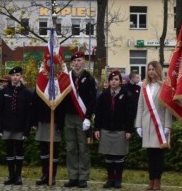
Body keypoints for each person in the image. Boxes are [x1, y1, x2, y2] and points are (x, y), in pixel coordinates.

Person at [135, 61, 172, 190]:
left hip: (160, 125)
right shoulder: (144, 86)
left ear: (158, 70)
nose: (151, 72)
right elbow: (140, 107)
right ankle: (151, 179)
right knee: (150, 155)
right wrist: (138, 125)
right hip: (146, 124)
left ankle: (157, 180)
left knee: (158, 155)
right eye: (149, 69)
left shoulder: (164, 86)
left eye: (153, 69)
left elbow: (168, 108)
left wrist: (168, 125)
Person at [94, 70, 134, 189]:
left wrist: (128, 130)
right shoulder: (104, 95)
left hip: (120, 130)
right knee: (109, 156)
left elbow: (130, 114)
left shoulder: (126, 94)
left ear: (121, 82)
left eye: (116, 79)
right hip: (106, 129)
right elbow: (98, 113)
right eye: (111, 79)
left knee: (118, 156)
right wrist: (97, 128)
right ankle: (110, 178)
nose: (113, 82)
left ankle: (118, 179)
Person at [63, 51, 97, 188]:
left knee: (83, 148)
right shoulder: (67, 78)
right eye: (74, 61)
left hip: (82, 118)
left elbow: (92, 100)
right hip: (69, 117)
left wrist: (88, 117)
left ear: (84, 62)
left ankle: (83, 177)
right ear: (71, 63)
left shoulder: (89, 78)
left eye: (79, 60)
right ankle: (72, 176)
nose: (77, 63)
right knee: (71, 148)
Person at [0, 66, 32, 185]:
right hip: (7, 126)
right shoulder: (4, 91)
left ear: (21, 77)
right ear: (10, 77)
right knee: (9, 151)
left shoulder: (26, 92)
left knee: (20, 151)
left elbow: (28, 113)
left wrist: (26, 130)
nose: (15, 77)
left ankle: (18, 176)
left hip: (20, 127)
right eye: (13, 75)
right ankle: (11, 175)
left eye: (17, 75)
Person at [32, 91, 65, 186]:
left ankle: (52, 176)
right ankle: (45, 175)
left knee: (54, 151)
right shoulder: (41, 82)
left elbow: (63, 105)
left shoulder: (58, 84)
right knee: (44, 151)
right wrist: (34, 121)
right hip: (42, 119)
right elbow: (34, 104)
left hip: (55, 120)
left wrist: (60, 124)